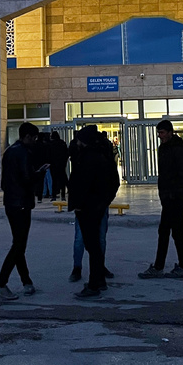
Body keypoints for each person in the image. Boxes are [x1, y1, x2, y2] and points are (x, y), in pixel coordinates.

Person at [0, 122, 46, 300]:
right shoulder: (23, 153)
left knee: (19, 244)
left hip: (11, 202)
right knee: (18, 245)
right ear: (27, 136)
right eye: (34, 138)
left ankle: (26, 282)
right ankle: (0, 283)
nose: (35, 141)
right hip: (21, 203)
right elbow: (27, 178)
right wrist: (39, 174)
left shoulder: (9, 151)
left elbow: (5, 181)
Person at [67, 126, 120, 298]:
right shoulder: (103, 156)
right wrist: (104, 202)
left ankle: (93, 284)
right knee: (95, 244)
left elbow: (81, 185)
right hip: (97, 207)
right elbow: (114, 182)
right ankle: (99, 280)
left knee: (92, 245)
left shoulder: (87, 158)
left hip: (87, 209)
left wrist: (80, 204)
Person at [139, 120, 183, 279]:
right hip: (170, 196)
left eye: (162, 133)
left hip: (175, 196)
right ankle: (180, 266)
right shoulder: (166, 147)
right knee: (173, 231)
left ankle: (162, 267)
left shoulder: (176, 148)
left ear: (170, 132)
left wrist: (172, 191)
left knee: (168, 231)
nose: (160, 136)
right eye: (159, 133)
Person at [47, 131, 69, 201]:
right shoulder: (62, 143)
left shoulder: (50, 144)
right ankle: (63, 196)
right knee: (62, 181)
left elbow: (49, 155)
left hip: (53, 165)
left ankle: (54, 195)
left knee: (54, 181)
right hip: (61, 165)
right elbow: (66, 154)